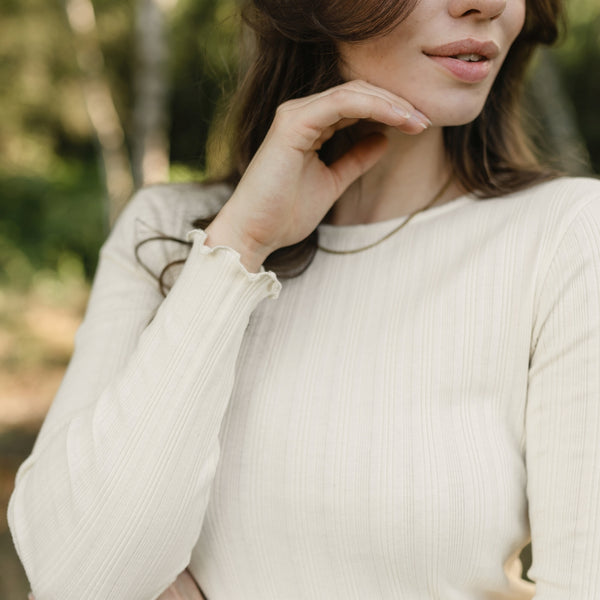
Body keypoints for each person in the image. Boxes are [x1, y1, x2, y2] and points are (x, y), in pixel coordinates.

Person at [7, 0, 600, 597]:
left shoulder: (566, 237)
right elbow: (75, 580)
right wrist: (238, 250)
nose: (488, 3)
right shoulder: (162, 231)